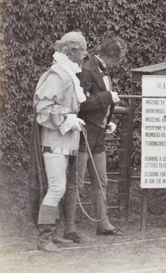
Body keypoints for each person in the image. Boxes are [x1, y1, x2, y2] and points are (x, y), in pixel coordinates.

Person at [63, 36, 127, 242]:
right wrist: (108, 97)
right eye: (119, 59)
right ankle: (69, 228)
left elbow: (98, 103)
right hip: (83, 134)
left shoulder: (102, 70)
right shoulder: (87, 68)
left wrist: (108, 119)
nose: (119, 63)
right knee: (76, 181)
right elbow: (81, 104)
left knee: (102, 180)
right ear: (113, 57)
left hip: (98, 134)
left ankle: (103, 224)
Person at [33, 32, 88, 252]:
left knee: (59, 188)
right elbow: (43, 109)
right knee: (56, 187)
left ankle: (53, 235)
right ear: (72, 51)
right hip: (55, 141)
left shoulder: (68, 74)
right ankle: (44, 238)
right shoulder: (57, 75)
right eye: (82, 50)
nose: (85, 55)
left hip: (67, 142)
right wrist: (68, 119)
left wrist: (72, 120)